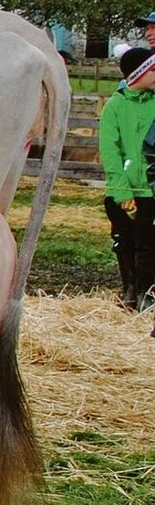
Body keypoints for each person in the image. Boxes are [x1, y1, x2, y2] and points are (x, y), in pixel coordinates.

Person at [100, 46, 155, 310]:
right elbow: (110, 151)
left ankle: (147, 293)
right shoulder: (115, 106)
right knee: (124, 241)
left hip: (150, 191)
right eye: (153, 69)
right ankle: (129, 290)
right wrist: (121, 191)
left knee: (148, 244)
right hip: (123, 191)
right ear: (139, 73)